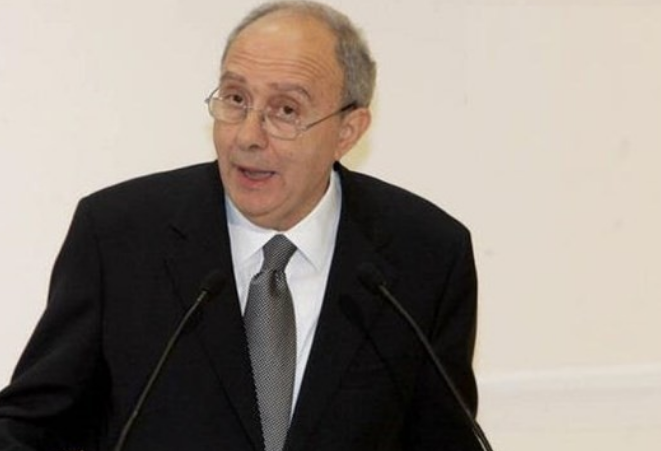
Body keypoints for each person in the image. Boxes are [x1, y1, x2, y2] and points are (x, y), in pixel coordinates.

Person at [0, 1, 480, 450]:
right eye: (235, 99)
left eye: (286, 110)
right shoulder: (118, 236)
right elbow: (31, 428)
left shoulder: (427, 256)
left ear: (347, 131)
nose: (247, 136)